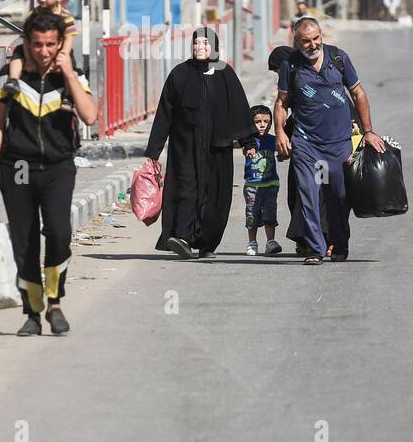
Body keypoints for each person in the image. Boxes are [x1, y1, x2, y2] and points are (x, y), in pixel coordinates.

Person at [0, 9, 97, 337]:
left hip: (58, 167)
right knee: (25, 240)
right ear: (27, 43)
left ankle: (55, 302)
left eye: (50, 44)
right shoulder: (10, 77)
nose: (44, 51)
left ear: (60, 43)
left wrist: (70, 75)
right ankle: (32, 312)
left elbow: (90, 116)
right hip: (16, 168)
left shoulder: (70, 75)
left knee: (59, 232)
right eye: (37, 44)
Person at [275, 18, 387, 265]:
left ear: (321, 35)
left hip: (339, 143)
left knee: (338, 196)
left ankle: (339, 243)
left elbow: (358, 92)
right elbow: (282, 102)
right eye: (306, 40)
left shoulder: (339, 58)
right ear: (297, 41)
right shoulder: (290, 65)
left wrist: (368, 131)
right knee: (308, 194)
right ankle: (315, 248)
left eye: (316, 38)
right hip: (306, 143)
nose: (312, 44)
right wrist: (281, 133)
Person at [144, 27, 253, 260]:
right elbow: (165, 112)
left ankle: (207, 245)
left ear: (213, 46)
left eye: (205, 43)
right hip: (185, 147)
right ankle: (182, 238)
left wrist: (248, 142)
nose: (200, 47)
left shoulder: (225, 72)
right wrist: (154, 150)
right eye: (196, 43)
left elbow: (239, 108)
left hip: (218, 148)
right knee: (185, 191)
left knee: (216, 197)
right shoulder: (180, 73)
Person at [7, 0, 77, 81]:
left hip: (58, 50)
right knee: (18, 52)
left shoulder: (65, 16)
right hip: (34, 51)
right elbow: (26, 38)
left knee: (70, 64)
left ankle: (68, 93)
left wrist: (64, 54)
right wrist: (29, 59)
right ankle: (13, 80)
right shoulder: (33, 14)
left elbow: (69, 38)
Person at [242, 105, 282, 256]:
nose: (262, 124)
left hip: (271, 185)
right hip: (252, 186)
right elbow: (245, 149)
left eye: (266, 121)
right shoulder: (248, 141)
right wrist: (248, 150)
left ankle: (270, 241)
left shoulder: (273, 140)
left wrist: (283, 154)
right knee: (252, 213)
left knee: (270, 213)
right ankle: (252, 242)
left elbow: (283, 149)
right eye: (257, 121)